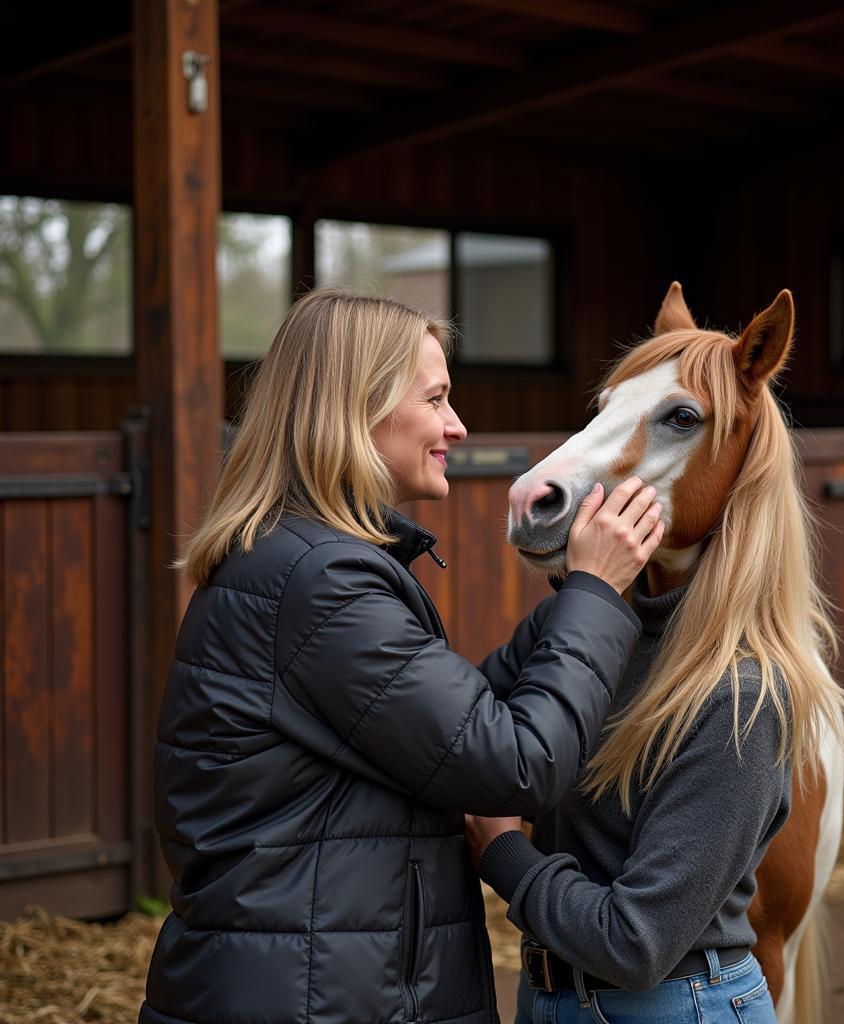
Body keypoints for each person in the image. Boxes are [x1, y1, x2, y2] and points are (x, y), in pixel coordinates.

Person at [139, 289, 665, 1024]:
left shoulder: (297, 561)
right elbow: (518, 764)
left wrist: (573, 608)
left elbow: (436, 730)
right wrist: (595, 594)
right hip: (319, 1001)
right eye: (437, 398)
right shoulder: (318, 582)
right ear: (358, 407)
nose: (457, 425)